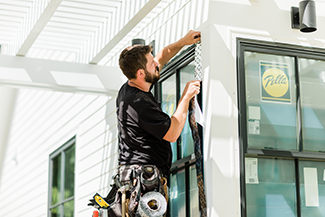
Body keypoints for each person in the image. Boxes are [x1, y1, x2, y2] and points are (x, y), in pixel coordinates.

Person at [115, 30, 201, 216]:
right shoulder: (140, 103)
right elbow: (172, 132)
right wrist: (186, 96)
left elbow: (162, 56)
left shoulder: (131, 85)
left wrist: (184, 42)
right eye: (151, 62)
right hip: (144, 180)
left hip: (136, 175)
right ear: (141, 73)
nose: (157, 63)